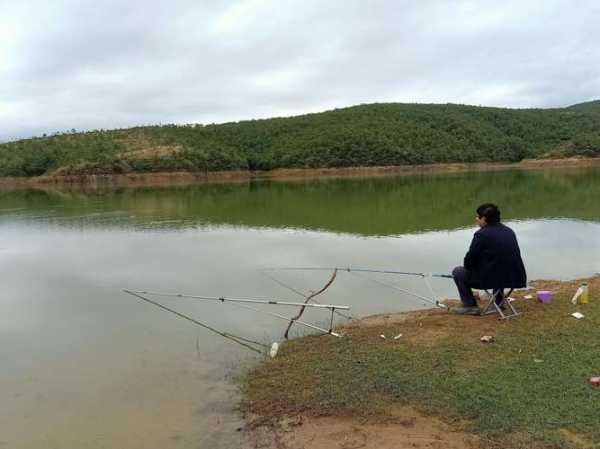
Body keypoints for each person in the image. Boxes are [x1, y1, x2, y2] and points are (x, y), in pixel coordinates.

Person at [451, 203, 527, 315]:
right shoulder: (509, 231)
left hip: (493, 279)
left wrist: (472, 269)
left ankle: (470, 305)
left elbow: (469, 260)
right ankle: (499, 302)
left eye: (478, 217)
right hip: (515, 277)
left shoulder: (481, 234)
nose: (476, 219)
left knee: (458, 271)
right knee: (499, 267)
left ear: (484, 219)